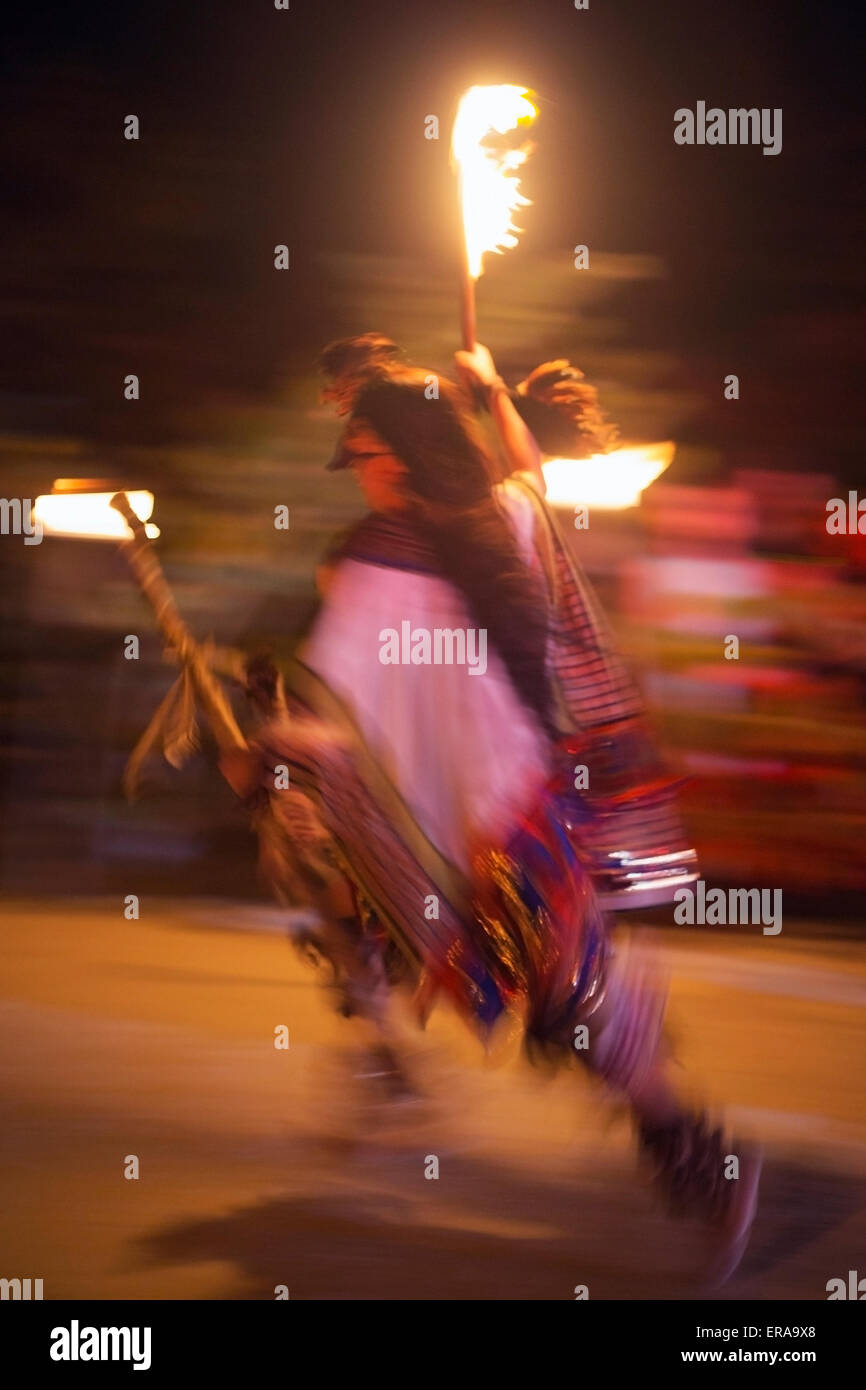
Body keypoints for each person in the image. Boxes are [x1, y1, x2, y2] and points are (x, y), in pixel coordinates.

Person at [269, 367, 760, 1283]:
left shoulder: (391, 548)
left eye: (368, 454)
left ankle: (707, 1166)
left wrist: (285, 748)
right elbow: (530, 479)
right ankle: (383, 1054)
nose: (361, 472)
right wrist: (494, 397)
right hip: (515, 817)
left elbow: (338, 699)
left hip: (494, 834)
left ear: (407, 453)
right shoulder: (505, 516)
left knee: (576, 1007)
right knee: (376, 912)